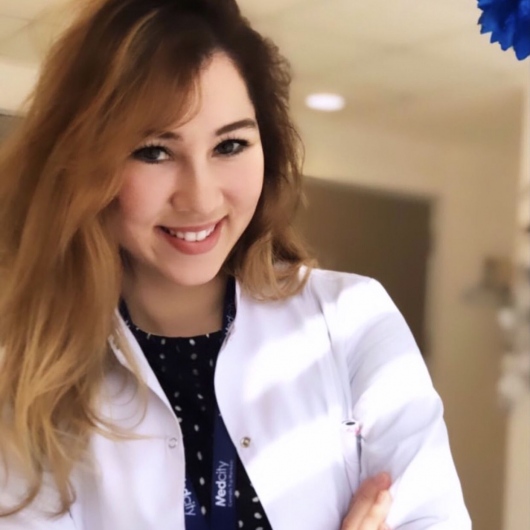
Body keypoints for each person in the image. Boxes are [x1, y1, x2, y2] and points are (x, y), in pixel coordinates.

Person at [0, 0, 471, 528]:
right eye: (154, 151)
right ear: (83, 162)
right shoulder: (30, 374)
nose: (200, 198)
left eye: (230, 145)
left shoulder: (352, 318)